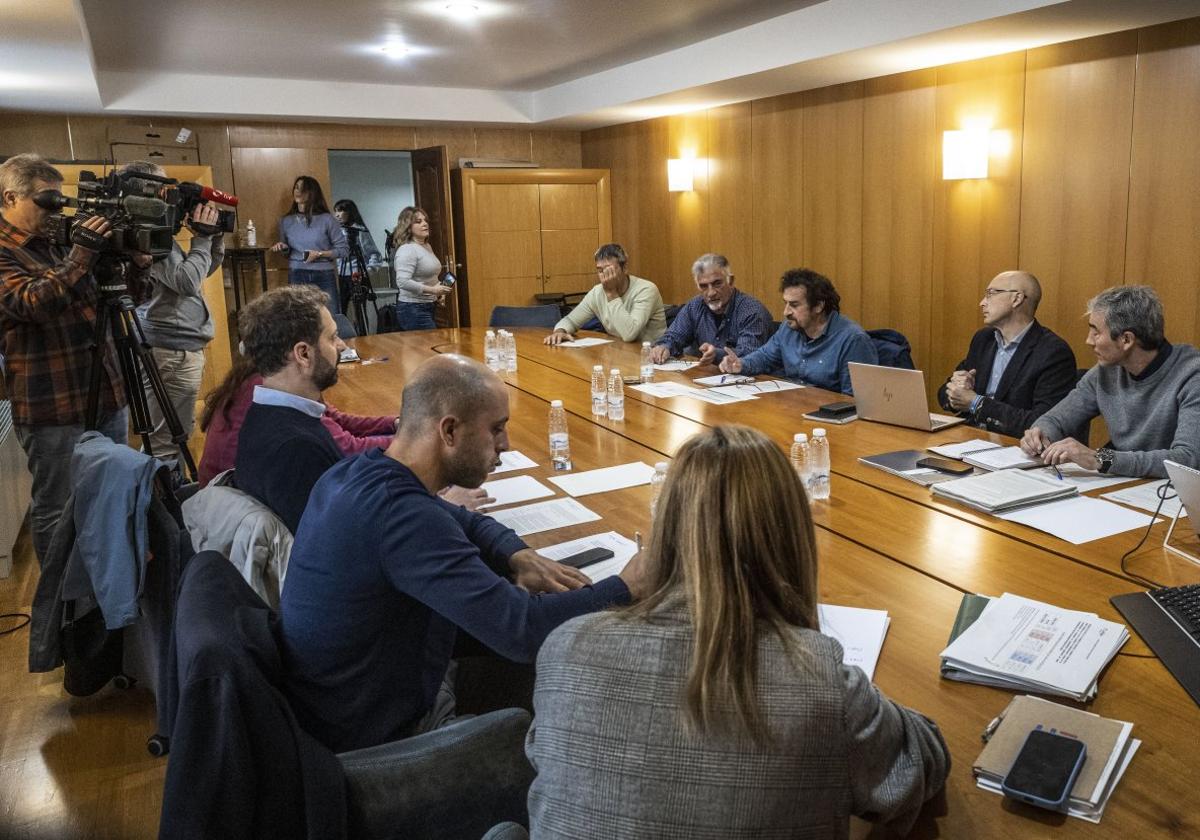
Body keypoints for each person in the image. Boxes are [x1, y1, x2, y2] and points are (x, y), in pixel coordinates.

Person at [525, 425, 949, 838]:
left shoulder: (567, 647)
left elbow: (543, 754)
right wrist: (864, 700)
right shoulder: (822, 683)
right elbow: (922, 764)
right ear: (790, 535)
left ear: (666, 530)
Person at [280, 354, 649, 752]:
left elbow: (462, 519)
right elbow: (522, 630)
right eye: (497, 430)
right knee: (584, 695)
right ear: (450, 431)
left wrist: (515, 554)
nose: (505, 445)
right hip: (384, 737)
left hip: (348, 697)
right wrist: (628, 585)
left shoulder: (360, 472)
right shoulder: (403, 519)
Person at [0, 153, 127, 566]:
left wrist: (131, 265)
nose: (56, 209)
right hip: (51, 403)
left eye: (59, 199)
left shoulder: (59, 242)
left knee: (113, 492)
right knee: (58, 508)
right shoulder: (7, 251)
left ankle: (110, 582)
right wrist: (81, 257)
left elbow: (115, 300)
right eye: (45, 200)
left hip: (104, 391)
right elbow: (30, 302)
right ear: (9, 197)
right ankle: (60, 609)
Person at [1021, 285, 1200, 478]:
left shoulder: (1191, 375)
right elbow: (1055, 419)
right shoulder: (1104, 372)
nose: (1089, 341)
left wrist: (1101, 458)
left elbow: (1186, 460)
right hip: (1122, 484)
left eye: (1096, 332)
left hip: (1168, 495)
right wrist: (1039, 435)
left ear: (1126, 339)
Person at [118, 160, 225, 471]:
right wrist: (201, 239)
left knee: (174, 435)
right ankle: (161, 510)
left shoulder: (160, 229)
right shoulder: (144, 231)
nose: (170, 195)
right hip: (168, 350)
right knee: (164, 442)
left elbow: (201, 269)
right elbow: (187, 282)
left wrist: (213, 237)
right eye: (162, 188)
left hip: (178, 347)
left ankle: (162, 501)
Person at [936, 271, 1076, 438]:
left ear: (1016, 299)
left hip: (1015, 449)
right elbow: (943, 393)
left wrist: (976, 403)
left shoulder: (1053, 352)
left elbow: (1041, 423)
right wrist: (955, 391)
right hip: (971, 439)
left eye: (990, 294)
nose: (982, 303)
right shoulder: (984, 339)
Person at [719, 267, 877, 394]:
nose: (786, 312)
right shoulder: (789, 328)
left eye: (794, 305)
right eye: (785, 304)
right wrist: (741, 364)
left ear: (818, 306)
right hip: (792, 408)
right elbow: (765, 357)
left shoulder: (852, 339)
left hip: (828, 421)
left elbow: (856, 401)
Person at [649, 253, 772, 366]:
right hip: (709, 379)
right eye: (703, 286)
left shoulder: (751, 311)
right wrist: (663, 347)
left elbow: (748, 355)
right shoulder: (695, 306)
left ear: (731, 281)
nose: (711, 293)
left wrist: (716, 355)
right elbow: (674, 336)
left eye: (717, 283)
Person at [544, 243, 666, 345]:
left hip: (651, 356)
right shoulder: (597, 292)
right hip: (620, 354)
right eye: (600, 270)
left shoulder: (646, 289)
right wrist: (560, 331)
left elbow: (630, 334)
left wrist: (612, 294)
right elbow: (571, 320)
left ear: (625, 268)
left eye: (609, 269)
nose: (604, 276)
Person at [270, 175, 347, 314]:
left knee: (331, 314)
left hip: (324, 274)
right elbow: (286, 253)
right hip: (297, 273)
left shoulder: (327, 219)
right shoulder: (285, 221)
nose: (298, 191)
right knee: (300, 317)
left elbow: (343, 250)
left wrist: (319, 254)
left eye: (303, 189)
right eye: (296, 187)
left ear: (312, 193)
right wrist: (284, 248)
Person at [390, 205, 450, 331]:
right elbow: (402, 281)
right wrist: (433, 290)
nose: (425, 224)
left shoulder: (426, 246)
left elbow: (429, 276)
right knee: (428, 345)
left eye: (425, 220)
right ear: (408, 227)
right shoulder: (407, 249)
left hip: (429, 304)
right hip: (412, 308)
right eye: (418, 221)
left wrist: (439, 292)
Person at [332, 198, 383, 314]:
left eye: (340, 211)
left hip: (357, 275)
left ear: (350, 212)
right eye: (335, 211)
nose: (337, 215)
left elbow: (374, 254)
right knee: (340, 310)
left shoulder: (360, 231)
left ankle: (362, 332)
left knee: (360, 311)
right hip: (339, 275)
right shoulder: (336, 232)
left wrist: (368, 271)